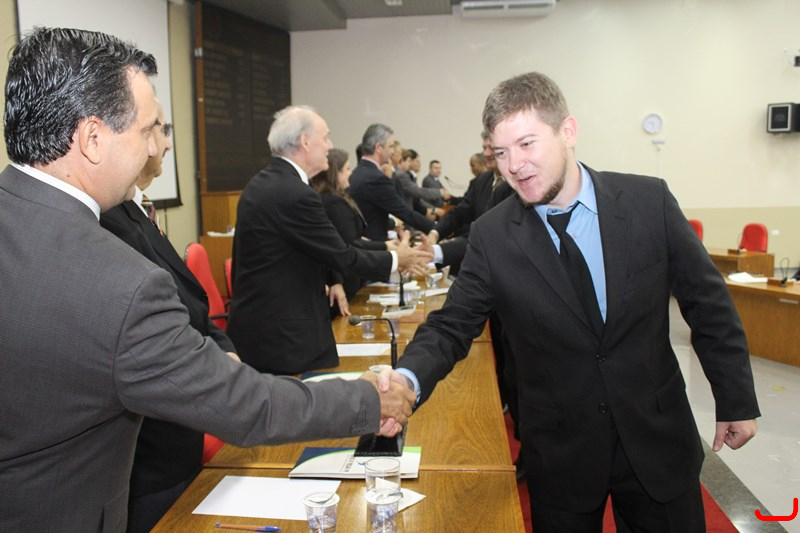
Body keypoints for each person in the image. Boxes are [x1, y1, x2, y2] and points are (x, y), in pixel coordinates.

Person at [0, 27, 415, 532]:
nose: (154, 148)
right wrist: (367, 399)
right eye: (147, 131)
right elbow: (245, 407)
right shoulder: (117, 282)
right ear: (91, 138)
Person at [392, 72, 760, 532]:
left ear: (567, 131)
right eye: (501, 153)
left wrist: (735, 399)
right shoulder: (493, 236)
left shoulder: (648, 202)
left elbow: (708, 304)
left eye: (526, 144)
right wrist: (407, 379)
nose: (514, 165)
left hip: (657, 439)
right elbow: (451, 325)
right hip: (561, 453)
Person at [99, 100, 239, 532]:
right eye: (158, 130)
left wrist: (224, 349)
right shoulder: (107, 223)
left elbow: (192, 306)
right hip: (153, 454)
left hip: (181, 431)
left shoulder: (137, 212)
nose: (165, 144)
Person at [227, 107, 430, 376]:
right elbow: (342, 255)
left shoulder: (267, 182)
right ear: (305, 141)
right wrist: (396, 258)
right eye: (325, 137)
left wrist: (333, 279)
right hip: (280, 339)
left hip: (265, 327)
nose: (330, 146)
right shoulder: (294, 193)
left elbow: (312, 245)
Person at [310, 148, 401, 304]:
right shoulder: (333, 202)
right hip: (344, 277)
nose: (350, 173)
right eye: (347, 169)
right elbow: (350, 243)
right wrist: (385, 246)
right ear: (335, 174)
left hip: (349, 275)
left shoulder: (338, 197)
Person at [348, 123, 435, 241]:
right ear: (379, 148)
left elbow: (369, 214)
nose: (392, 152)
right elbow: (405, 213)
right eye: (390, 146)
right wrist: (438, 230)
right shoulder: (376, 178)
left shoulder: (355, 173)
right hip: (374, 245)